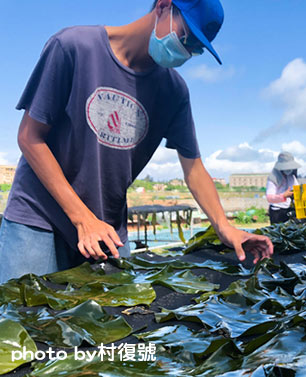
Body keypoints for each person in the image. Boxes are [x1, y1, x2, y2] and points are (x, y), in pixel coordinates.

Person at [0, 0, 273, 284]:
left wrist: (224, 226)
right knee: (25, 318)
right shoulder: (74, 46)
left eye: (196, 47)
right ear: (164, 6)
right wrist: (82, 218)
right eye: (186, 36)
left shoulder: (173, 91)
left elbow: (193, 167)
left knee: (118, 318)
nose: (187, 50)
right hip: (37, 218)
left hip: (105, 225)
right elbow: (30, 137)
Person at [266, 152, 300, 224]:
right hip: (277, 212)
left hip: (288, 209)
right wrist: (284, 195)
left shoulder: (291, 177)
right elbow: (269, 198)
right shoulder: (273, 178)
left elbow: (297, 188)